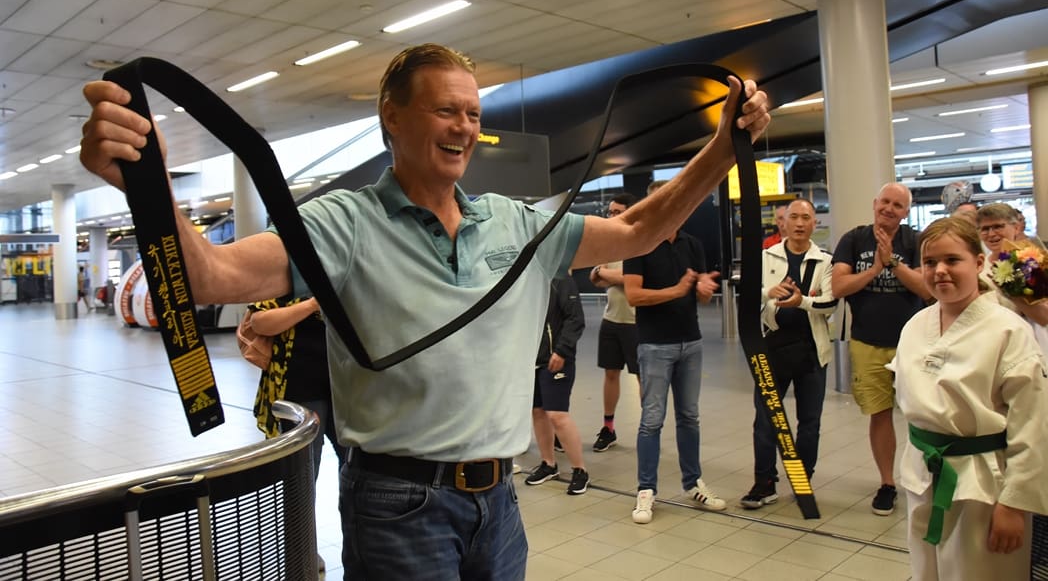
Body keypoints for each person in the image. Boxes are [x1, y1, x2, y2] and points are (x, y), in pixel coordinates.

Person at [78, 43, 769, 579]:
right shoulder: (344, 222)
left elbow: (641, 229)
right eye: (446, 110)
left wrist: (722, 148)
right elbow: (212, 275)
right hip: (396, 504)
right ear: (393, 116)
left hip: (499, 503)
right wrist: (148, 185)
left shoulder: (513, 221)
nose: (464, 126)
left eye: (473, 114)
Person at [890, 217, 1048, 580]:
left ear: (978, 263)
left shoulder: (1008, 329)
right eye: (930, 262)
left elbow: (1033, 425)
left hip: (985, 483)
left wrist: (1015, 503)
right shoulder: (915, 325)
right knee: (927, 571)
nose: (940, 271)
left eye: (952, 260)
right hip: (923, 472)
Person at [624, 179, 725, 525]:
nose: (670, 207)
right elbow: (634, 295)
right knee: (652, 420)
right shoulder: (638, 245)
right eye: (663, 202)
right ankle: (646, 489)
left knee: (689, 417)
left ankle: (692, 483)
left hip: (690, 343)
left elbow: (699, 292)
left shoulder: (691, 245)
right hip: (654, 345)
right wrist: (676, 290)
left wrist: (703, 290)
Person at [831, 182, 929, 516]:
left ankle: (925, 478)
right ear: (875, 203)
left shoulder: (916, 241)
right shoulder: (853, 239)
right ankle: (887, 483)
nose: (889, 209)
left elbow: (926, 289)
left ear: (906, 212)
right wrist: (874, 269)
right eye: (885, 202)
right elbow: (839, 287)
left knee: (924, 414)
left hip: (913, 345)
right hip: (867, 342)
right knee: (880, 413)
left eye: (897, 205)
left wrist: (893, 264)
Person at [742, 198, 837, 509]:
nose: (799, 223)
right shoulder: (765, 257)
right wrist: (768, 293)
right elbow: (746, 297)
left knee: (809, 422)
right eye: (793, 217)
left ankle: (801, 479)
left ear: (814, 223)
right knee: (765, 419)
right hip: (772, 349)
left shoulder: (825, 261)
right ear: (783, 222)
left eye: (805, 218)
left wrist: (802, 302)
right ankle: (764, 482)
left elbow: (830, 302)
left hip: (811, 352)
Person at [248, 295, 348, 575]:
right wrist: (313, 304)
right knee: (303, 476)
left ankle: (358, 541)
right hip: (300, 390)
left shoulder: (347, 273)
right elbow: (259, 322)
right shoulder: (284, 280)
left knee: (355, 469)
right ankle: (302, 551)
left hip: (349, 387)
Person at [524, 276, 589, 495]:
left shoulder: (561, 280)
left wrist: (562, 350)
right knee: (538, 412)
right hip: (533, 359)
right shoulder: (528, 280)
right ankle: (548, 464)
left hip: (557, 359)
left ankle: (580, 470)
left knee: (557, 415)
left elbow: (575, 319)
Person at [588, 192, 639, 452]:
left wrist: (610, 274)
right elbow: (596, 277)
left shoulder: (640, 243)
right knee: (610, 374)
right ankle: (608, 428)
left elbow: (634, 279)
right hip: (611, 320)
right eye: (610, 212)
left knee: (642, 377)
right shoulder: (610, 243)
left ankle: (648, 429)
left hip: (636, 322)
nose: (612, 216)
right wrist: (609, 273)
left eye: (618, 212)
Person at [975, 203, 1048, 349]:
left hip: (1029, 343)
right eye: (985, 229)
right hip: (990, 343)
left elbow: (1044, 317)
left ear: (1016, 227)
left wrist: (1012, 294)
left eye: (998, 226)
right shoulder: (978, 268)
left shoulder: (1034, 263)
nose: (991, 234)